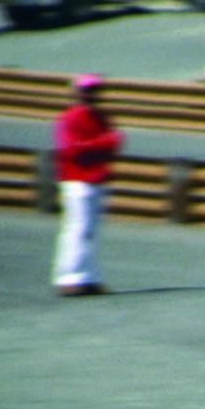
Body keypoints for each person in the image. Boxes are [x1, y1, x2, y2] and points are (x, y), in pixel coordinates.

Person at [51, 73, 123, 297]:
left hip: (96, 179)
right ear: (75, 92)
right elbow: (74, 150)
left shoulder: (101, 117)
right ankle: (68, 278)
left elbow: (114, 143)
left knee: (90, 231)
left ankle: (89, 277)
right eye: (85, 90)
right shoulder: (69, 118)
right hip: (76, 180)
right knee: (77, 229)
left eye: (93, 90)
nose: (90, 94)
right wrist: (102, 143)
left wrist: (101, 145)